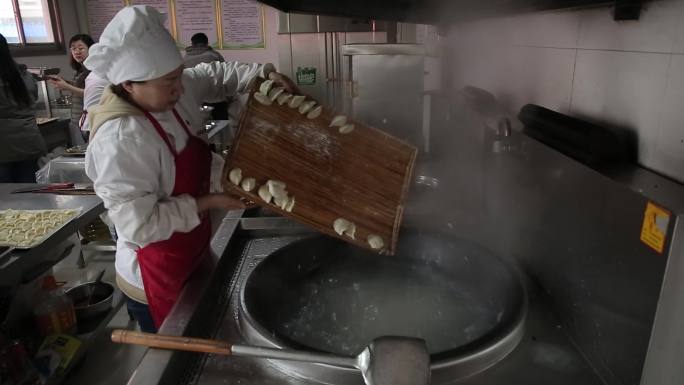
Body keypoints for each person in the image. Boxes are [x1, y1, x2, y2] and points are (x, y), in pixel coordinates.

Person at [83, 5, 297, 332]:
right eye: (169, 82)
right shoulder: (120, 139)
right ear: (128, 84)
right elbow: (139, 226)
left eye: (178, 76)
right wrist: (208, 203)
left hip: (194, 249)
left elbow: (214, 75)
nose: (180, 89)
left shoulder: (171, 93)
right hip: (154, 274)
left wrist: (263, 74)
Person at [0, 33, 47, 183]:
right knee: (29, 191)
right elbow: (33, 98)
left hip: (4, 146)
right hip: (29, 140)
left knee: (5, 198)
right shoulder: (23, 73)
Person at [47, 34, 95, 146]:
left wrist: (67, 86)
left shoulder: (94, 69)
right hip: (79, 119)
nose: (77, 51)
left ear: (91, 49)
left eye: (81, 48)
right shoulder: (80, 70)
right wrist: (66, 82)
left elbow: (91, 93)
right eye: (73, 49)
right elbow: (81, 87)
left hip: (90, 120)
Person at [184, 32, 228, 120]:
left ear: (192, 44)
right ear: (207, 43)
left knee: (202, 126)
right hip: (217, 99)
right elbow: (226, 74)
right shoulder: (215, 55)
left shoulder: (185, 59)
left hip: (197, 99)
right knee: (220, 125)